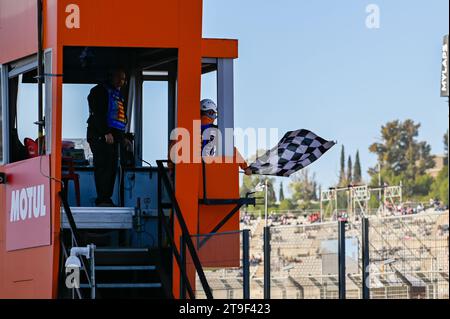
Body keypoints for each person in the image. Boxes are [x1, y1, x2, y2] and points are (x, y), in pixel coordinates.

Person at [87, 68, 132, 207]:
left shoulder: (118, 94)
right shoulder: (99, 91)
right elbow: (98, 114)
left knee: (112, 167)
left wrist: (123, 138)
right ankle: (102, 199)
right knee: (103, 166)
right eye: (119, 78)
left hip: (113, 137)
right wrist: (105, 132)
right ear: (111, 77)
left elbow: (118, 120)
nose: (121, 81)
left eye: (124, 79)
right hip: (100, 136)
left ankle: (107, 198)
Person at [200, 99, 252, 175]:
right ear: (210, 113)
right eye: (215, 115)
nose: (215, 118)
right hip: (207, 171)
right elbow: (230, 149)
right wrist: (245, 167)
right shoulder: (216, 130)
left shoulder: (190, 127)